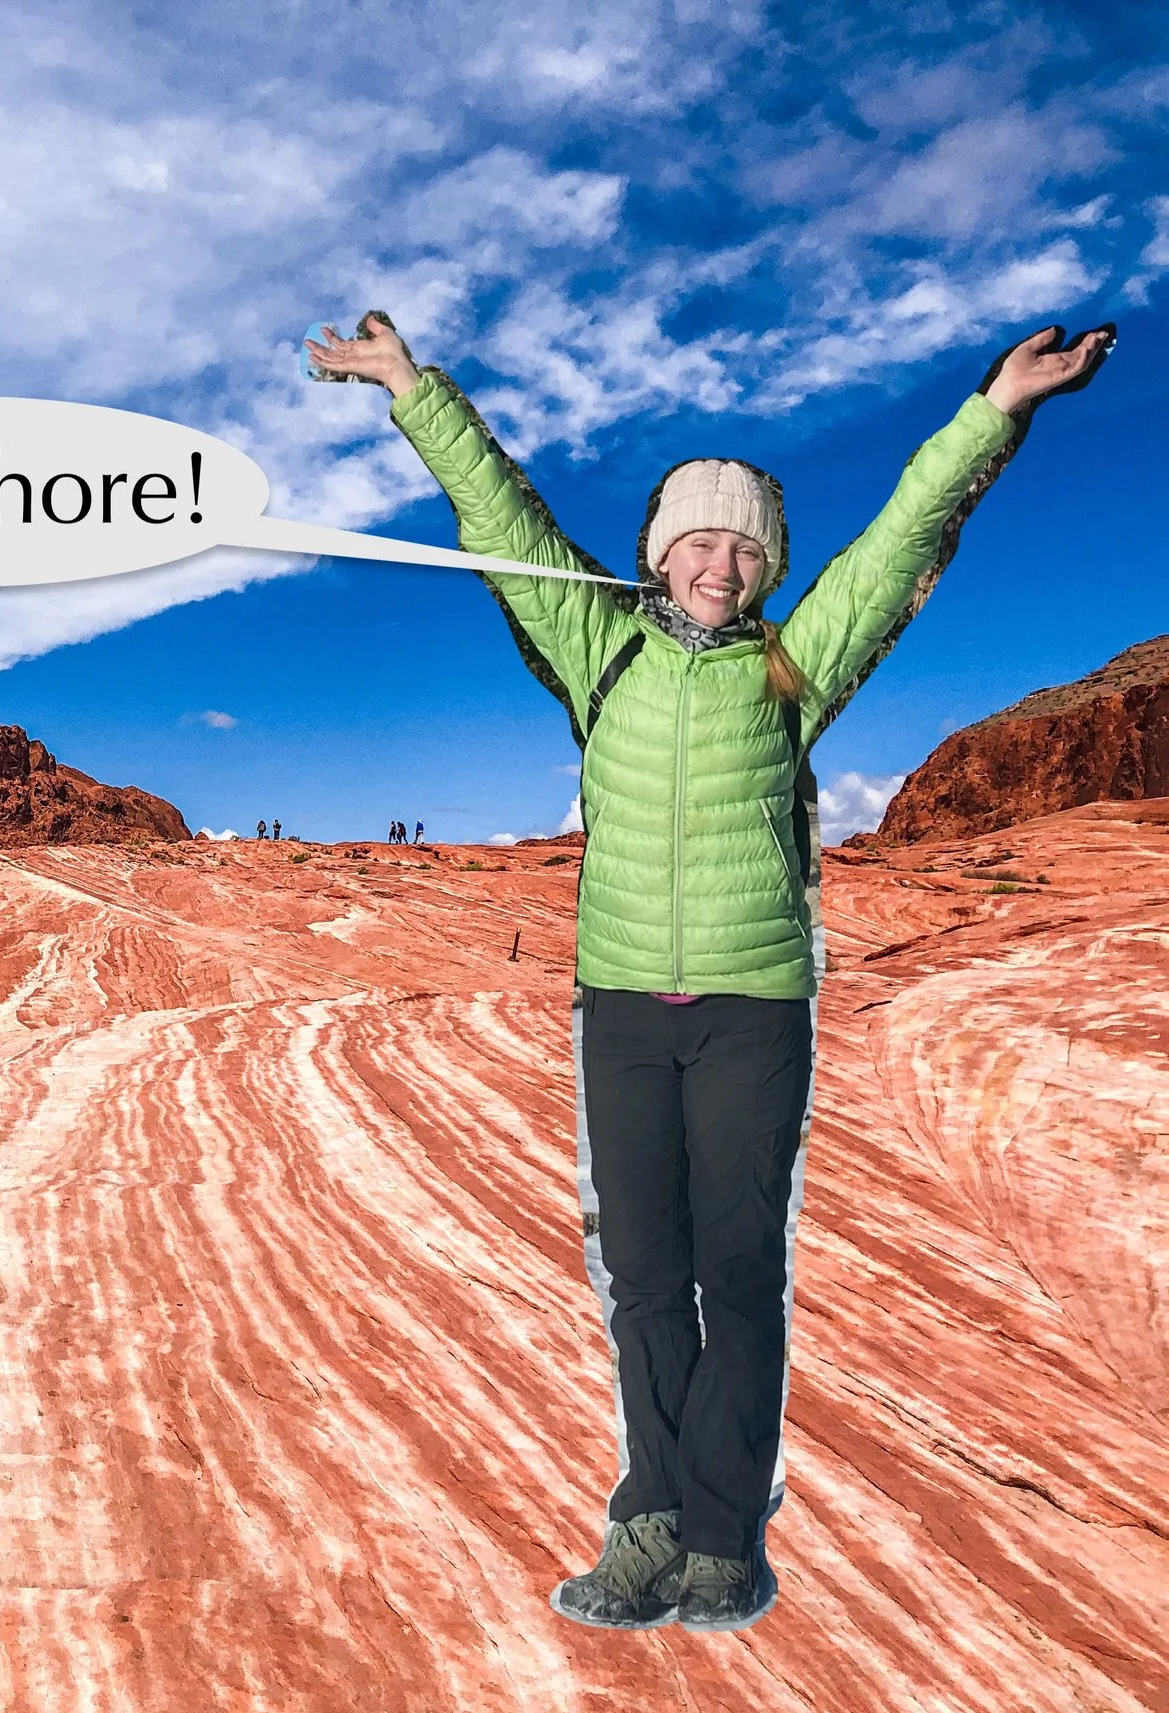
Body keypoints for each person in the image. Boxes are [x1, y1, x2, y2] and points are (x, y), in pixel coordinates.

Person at [307, 309, 1111, 1630]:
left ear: (767, 563)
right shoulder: (599, 647)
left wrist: (997, 408)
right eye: (697, 538)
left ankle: (722, 1538)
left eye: (745, 545)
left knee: (733, 1269)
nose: (720, 562)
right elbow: (506, 528)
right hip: (622, 1002)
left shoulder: (790, 667)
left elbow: (897, 543)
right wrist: (410, 386)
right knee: (640, 1271)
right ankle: (655, 1519)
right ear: (656, 555)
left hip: (751, 1006)